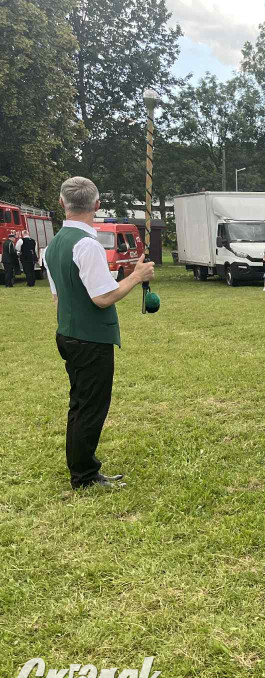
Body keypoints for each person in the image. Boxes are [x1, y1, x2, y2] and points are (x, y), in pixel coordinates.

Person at [43, 177, 155, 490]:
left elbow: (58, 297)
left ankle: (82, 468)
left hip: (68, 333)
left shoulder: (52, 247)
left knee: (80, 404)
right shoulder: (87, 245)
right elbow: (102, 297)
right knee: (90, 407)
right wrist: (136, 276)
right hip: (91, 339)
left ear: (62, 204)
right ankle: (84, 476)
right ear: (97, 205)